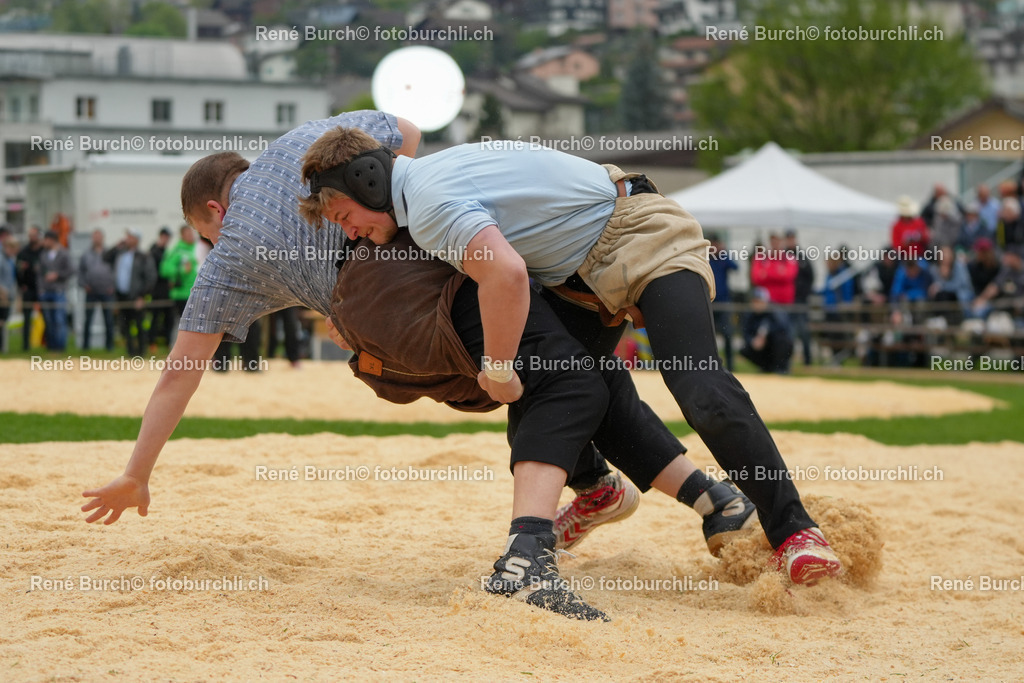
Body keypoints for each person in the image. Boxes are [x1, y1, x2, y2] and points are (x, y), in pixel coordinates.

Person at [81, 112, 758, 623]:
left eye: (205, 235)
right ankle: (583, 520)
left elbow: (180, 371)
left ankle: (669, 501)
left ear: (213, 210)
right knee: (559, 373)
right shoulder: (306, 144)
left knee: (561, 373)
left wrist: (137, 471)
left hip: (388, 311)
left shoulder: (229, 249)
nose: (213, 244)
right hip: (424, 256)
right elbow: (403, 131)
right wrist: (412, 214)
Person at [298, 130, 845, 588]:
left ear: (368, 182)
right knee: (566, 385)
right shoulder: (424, 184)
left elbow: (506, 274)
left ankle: (796, 531)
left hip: (641, 236)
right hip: (582, 275)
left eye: (344, 216)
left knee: (698, 387)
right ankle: (697, 501)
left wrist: (497, 367)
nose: (349, 231)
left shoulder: (428, 201)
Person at [110, 229, 156, 357]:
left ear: (136, 239)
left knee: (139, 324)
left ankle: (141, 352)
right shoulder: (120, 253)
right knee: (125, 325)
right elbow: (105, 257)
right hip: (121, 295)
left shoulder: (143, 256)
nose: (127, 239)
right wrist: (117, 245)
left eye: (130, 237)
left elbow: (150, 277)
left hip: (136, 297)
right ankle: (130, 352)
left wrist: (142, 296)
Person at [740, 287, 794, 374]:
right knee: (745, 349)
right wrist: (752, 341)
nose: (757, 305)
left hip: (774, 343)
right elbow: (746, 333)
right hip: (762, 347)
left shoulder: (775, 311)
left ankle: (781, 368)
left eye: (759, 301)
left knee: (781, 341)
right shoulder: (750, 315)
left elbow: (783, 329)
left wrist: (766, 336)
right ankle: (766, 368)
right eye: (755, 302)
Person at [79, 229, 116, 351]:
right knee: (88, 320)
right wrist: (84, 285)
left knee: (108, 320)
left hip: (107, 291)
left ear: (103, 238)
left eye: (99, 236)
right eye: (95, 237)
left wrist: (112, 286)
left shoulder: (109, 253)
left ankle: (109, 346)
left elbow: (115, 270)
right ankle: (85, 346)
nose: (97, 239)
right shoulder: (86, 254)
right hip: (91, 291)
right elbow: (81, 272)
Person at [36, 229, 73, 351]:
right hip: (45, 291)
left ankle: (60, 347)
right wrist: (40, 289)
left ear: (52, 240)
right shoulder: (43, 254)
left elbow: (71, 270)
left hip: (59, 291)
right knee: (48, 320)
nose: (44, 242)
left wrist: (57, 275)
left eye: (46, 240)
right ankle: (51, 347)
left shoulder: (64, 253)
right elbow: (39, 274)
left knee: (59, 319)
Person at [160, 224, 199, 337]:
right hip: (182, 294)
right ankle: (176, 345)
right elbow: (164, 269)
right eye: (188, 234)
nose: (191, 236)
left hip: (197, 293)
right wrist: (182, 270)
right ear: (182, 235)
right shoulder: (177, 250)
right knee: (182, 325)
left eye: (191, 233)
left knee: (196, 325)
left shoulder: (198, 248)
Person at [707, 234, 737, 371]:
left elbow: (735, 267)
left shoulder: (723, 258)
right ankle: (710, 365)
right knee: (708, 336)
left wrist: (724, 253)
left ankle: (730, 366)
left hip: (724, 303)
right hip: (709, 303)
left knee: (727, 335)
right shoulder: (705, 258)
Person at [785, 229, 815, 366]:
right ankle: (787, 361)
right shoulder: (782, 256)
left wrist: (804, 293)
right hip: (788, 300)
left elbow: (811, 277)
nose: (790, 241)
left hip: (801, 300)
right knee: (788, 332)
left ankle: (807, 361)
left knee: (803, 331)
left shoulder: (802, 256)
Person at [15, 226, 44, 350]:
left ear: (39, 236)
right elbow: (17, 270)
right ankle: (26, 346)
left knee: (46, 317)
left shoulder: (44, 251)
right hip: (28, 289)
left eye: (34, 235)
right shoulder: (23, 252)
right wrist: (21, 285)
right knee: (27, 318)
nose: (31, 237)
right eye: (30, 235)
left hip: (42, 289)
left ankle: (50, 345)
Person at [149, 227, 174, 348]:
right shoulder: (153, 250)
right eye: (165, 237)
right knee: (155, 316)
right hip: (156, 289)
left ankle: (168, 342)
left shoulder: (168, 252)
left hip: (167, 290)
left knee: (168, 317)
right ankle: (151, 342)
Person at [0, 236, 18, 352]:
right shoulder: (1, 259)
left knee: (3, 321)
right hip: (2, 296)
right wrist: (2, 292)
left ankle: (3, 348)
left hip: (8, 295)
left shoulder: (11, 260)